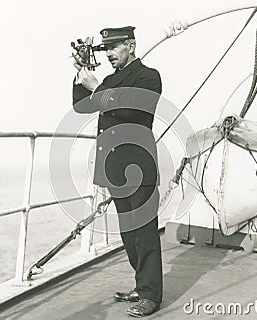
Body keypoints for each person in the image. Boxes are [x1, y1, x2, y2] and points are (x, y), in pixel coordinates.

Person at [72, 26, 162, 317]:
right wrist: (80, 75)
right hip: (115, 168)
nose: (109, 54)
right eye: (105, 49)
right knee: (128, 233)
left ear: (131, 46)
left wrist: (97, 88)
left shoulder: (148, 76)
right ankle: (143, 285)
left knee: (145, 233)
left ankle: (151, 296)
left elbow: (130, 110)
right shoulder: (111, 80)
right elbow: (81, 106)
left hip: (138, 166)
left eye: (114, 47)